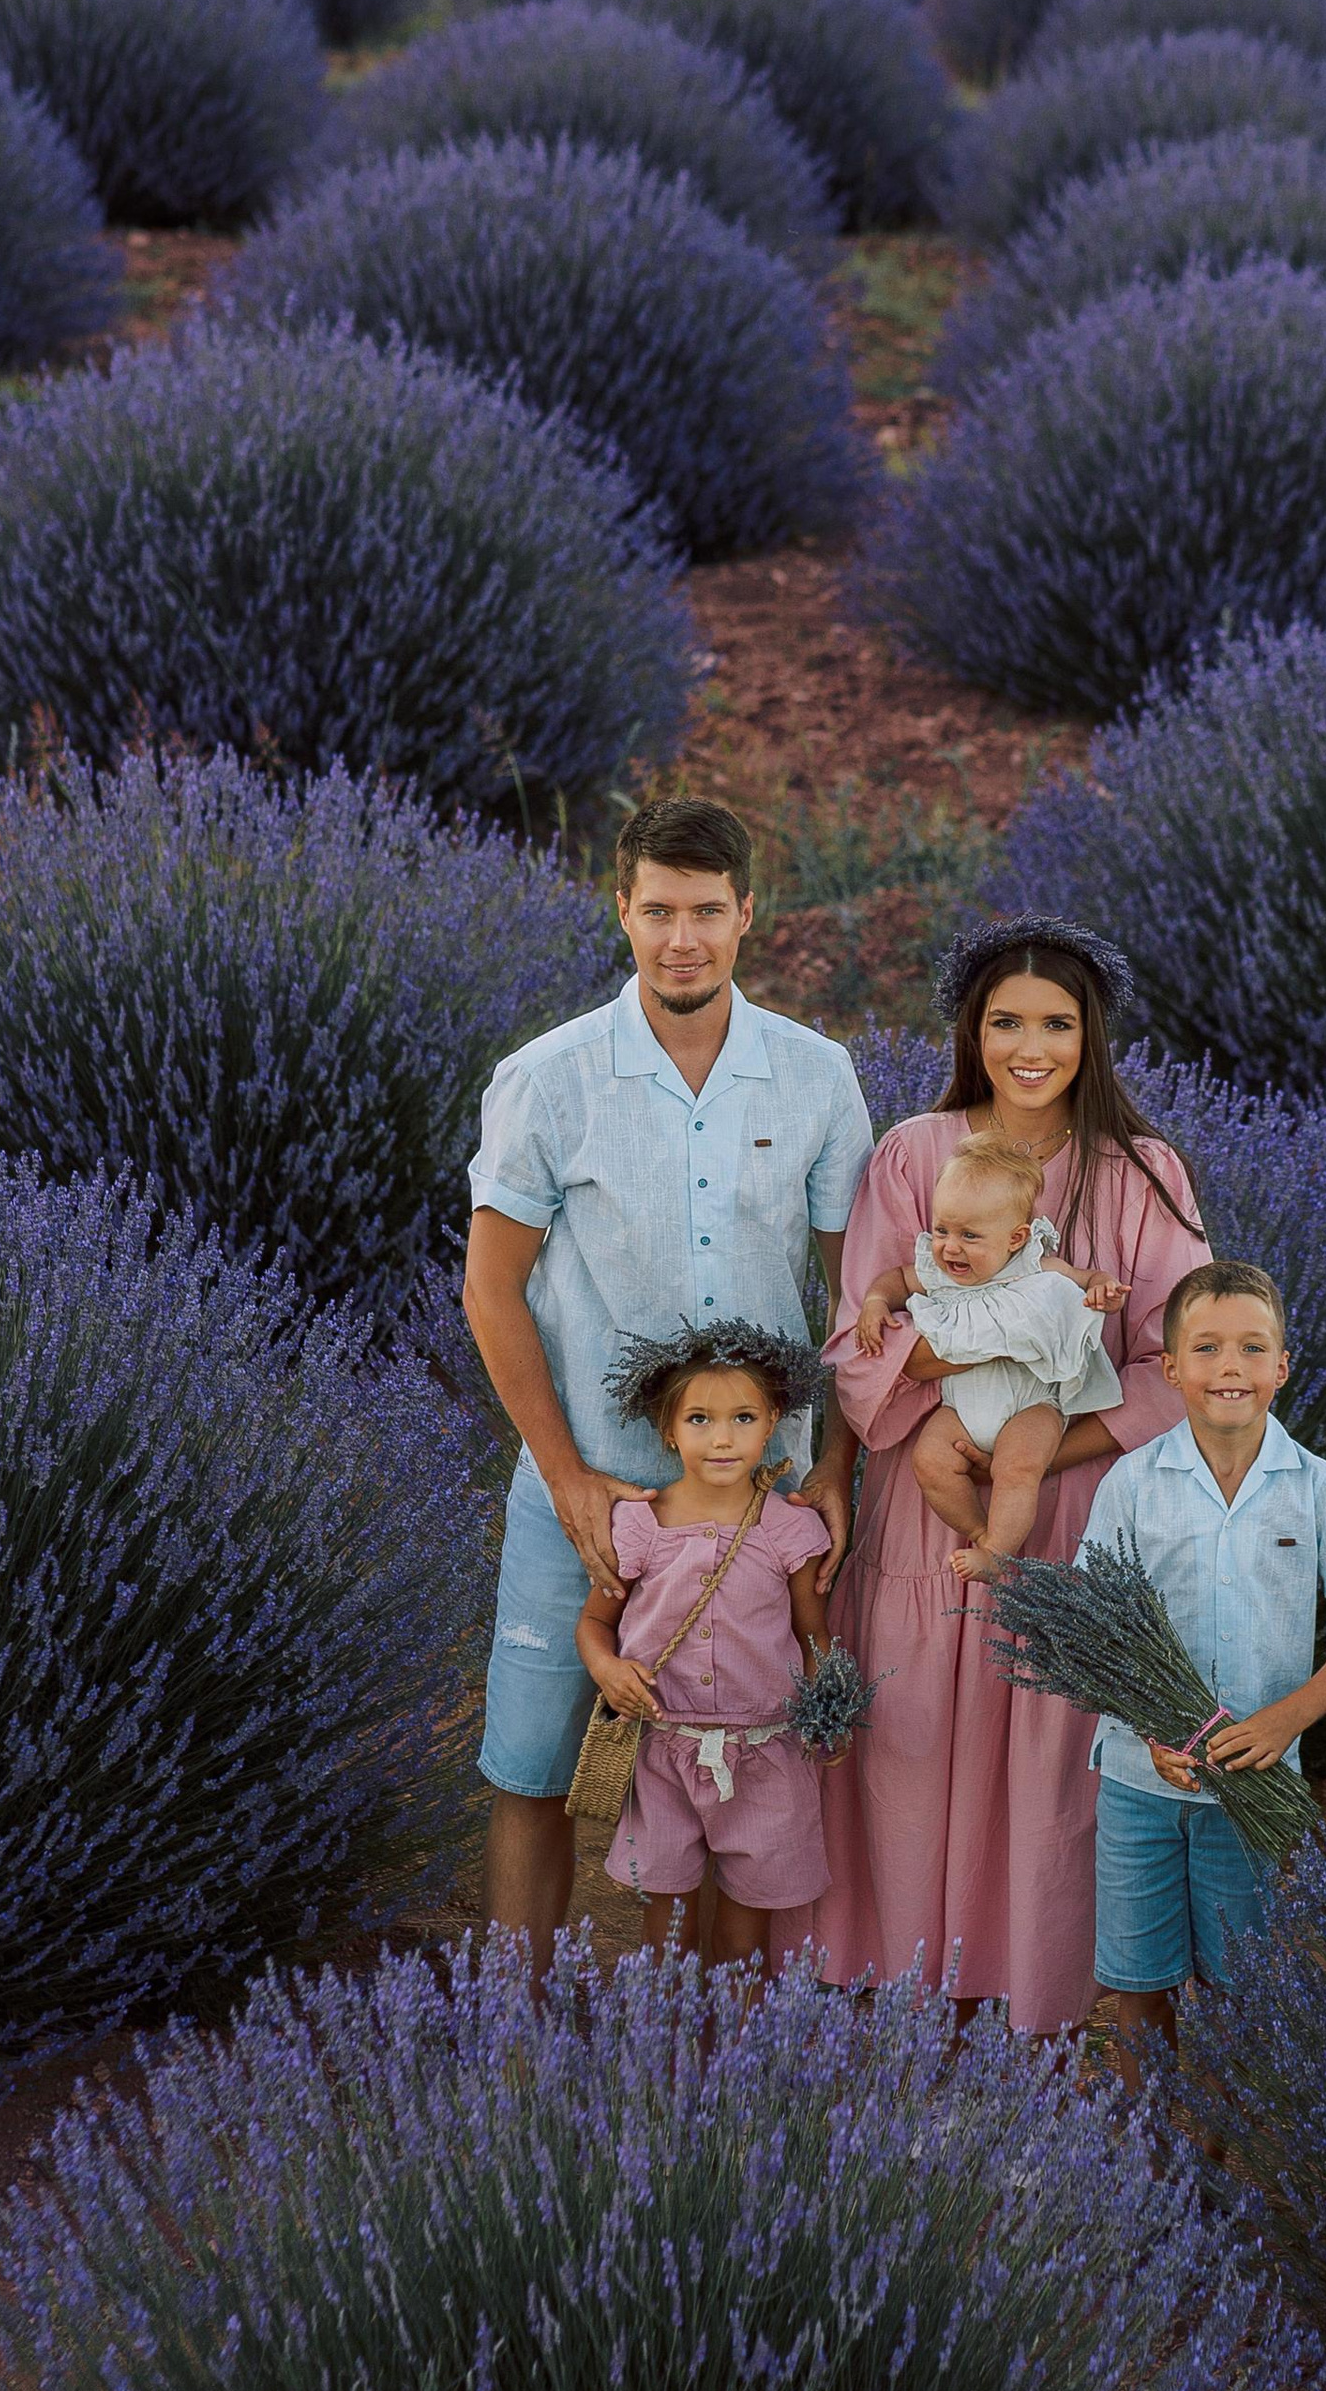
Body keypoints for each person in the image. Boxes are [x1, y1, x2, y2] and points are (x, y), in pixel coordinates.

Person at [462, 796, 874, 1956]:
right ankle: (518, 2023)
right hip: (585, 1494)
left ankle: (712, 2039)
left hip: (762, 1507)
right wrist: (569, 1477)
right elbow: (491, 1291)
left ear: (749, 913)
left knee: (748, 1768)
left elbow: (858, 1299)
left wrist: (835, 1464)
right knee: (536, 1764)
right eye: (657, 911)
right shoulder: (547, 1080)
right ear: (621, 911)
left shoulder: (815, 1076)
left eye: (705, 911)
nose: (680, 938)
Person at [806, 914, 1208, 2031]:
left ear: (1093, 1037)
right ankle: (901, 1983)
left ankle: (1043, 1991)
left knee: (1047, 1758)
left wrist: (1038, 1446)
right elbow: (857, 1345)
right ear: (969, 1032)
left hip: (1067, 1500)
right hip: (924, 1489)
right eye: (1004, 1022)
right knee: (913, 1743)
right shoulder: (914, 1153)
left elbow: (1174, 1363)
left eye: (1056, 1023)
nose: (1030, 1046)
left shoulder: (1141, 1172)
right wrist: (990, 1362)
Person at [1076, 1258, 1326, 2087]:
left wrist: (1286, 1721)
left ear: (1283, 1367)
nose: (1231, 1368)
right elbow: (1095, 1630)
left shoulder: (1316, 1487)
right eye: (1208, 1348)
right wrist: (1148, 1733)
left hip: (1251, 1786)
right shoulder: (1132, 1484)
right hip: (1139, 1781)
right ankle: (1153, 2162)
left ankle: (1215, 2164)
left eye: (1253, 1349)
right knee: (1139, 1983)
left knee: (1237, 1982)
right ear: (1171, 1368)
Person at [578, 1321, 844, 1973]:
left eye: (742, 1417)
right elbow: (594, 1624)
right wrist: (606, 1668)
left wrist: (829, 1708)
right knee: (666, 1935)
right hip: (662, 1755)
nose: (722, 1438)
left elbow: (815, 1634)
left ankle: (735, 2056)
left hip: (765, 1754)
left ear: (773, 1420)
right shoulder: (639, 1525)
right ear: (667, 1429)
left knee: (743, 1941)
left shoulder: (789, 1528)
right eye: (699, 1418)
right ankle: (664, 2054)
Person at [850, 1131, 1128, 1584]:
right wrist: (875, 1304)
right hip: (961, 1408)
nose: (950, 1247)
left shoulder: (1037, 1267)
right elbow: (894, 1280)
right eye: (942, 1230)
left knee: (1018, 1468)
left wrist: (1103, 1290)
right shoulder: (937, 1274)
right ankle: (980, 1530)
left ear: (1016, 1238)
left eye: (969, 1235)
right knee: (930, 1462)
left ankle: (1000, 1550)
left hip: (1032, 1405)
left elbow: (1088, 1278)